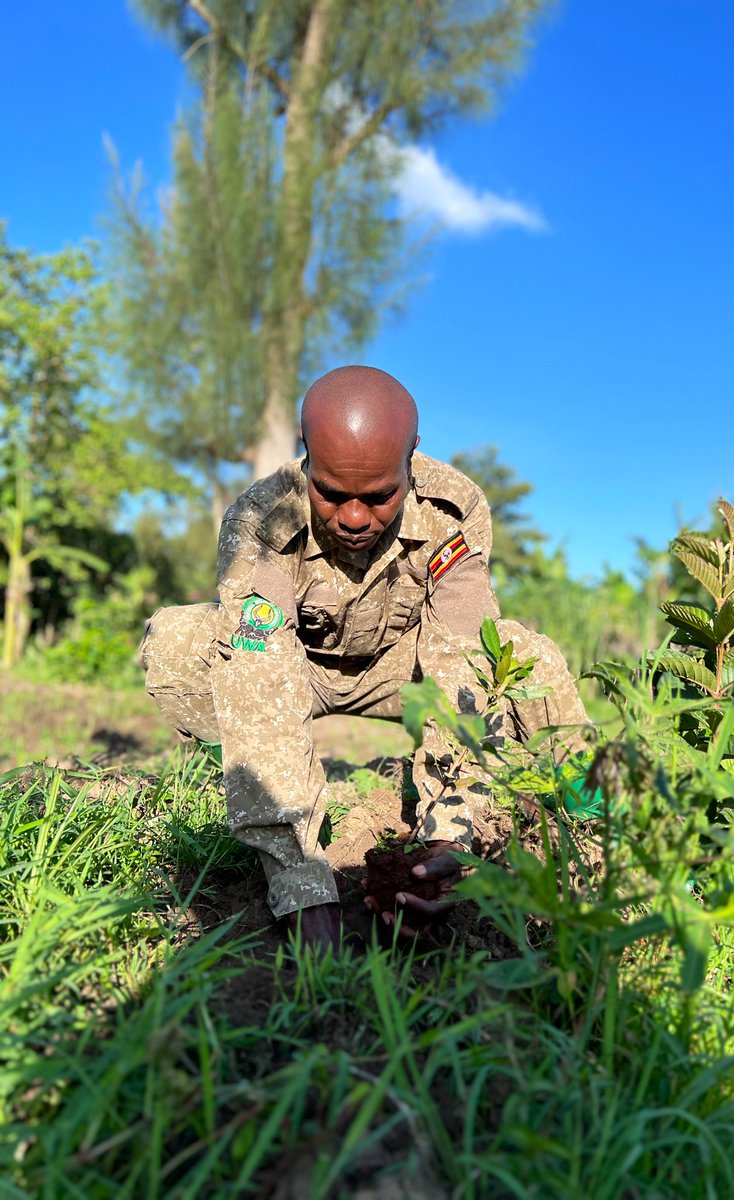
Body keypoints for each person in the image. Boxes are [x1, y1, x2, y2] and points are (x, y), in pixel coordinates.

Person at [140, 366, 588, 951]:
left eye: (379, 496)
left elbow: (464, 655)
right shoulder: (263, 518)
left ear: (412, 458)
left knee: (525, 655)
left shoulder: (452, 510)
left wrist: (448, 838)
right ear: (306, 452)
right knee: (192, 641)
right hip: (293, 669)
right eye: (332, 493)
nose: (354, 518)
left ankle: (593, 813)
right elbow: (258, 655)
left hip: (405, 671)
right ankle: (269, 823)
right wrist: (302, 885)